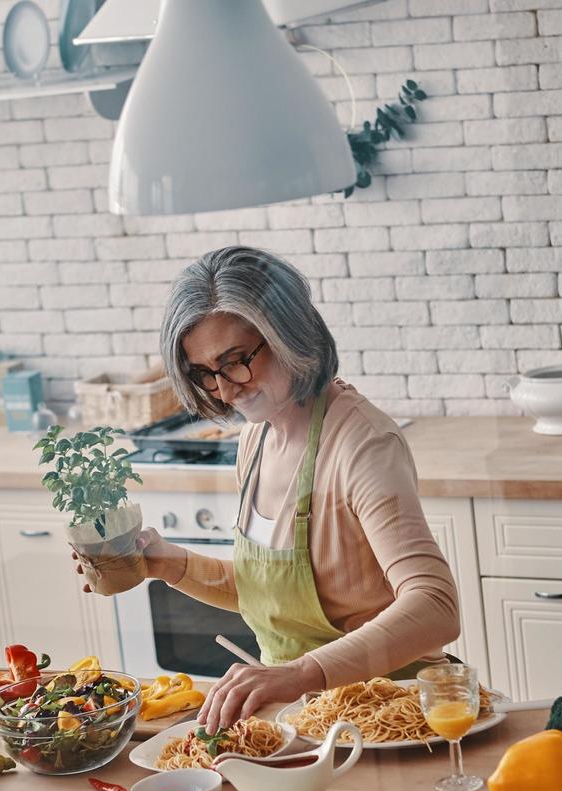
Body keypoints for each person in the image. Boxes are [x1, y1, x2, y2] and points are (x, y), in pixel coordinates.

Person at [101, 245, 462, 733]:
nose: (226, 390)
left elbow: (435, 607)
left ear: (289, 332)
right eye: (204, 374)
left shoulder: (362, 445)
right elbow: (273, 597)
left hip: (390, 715)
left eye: (235, 361)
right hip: (306, 718)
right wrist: (170, 564)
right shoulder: (257, 433)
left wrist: (297, 675)